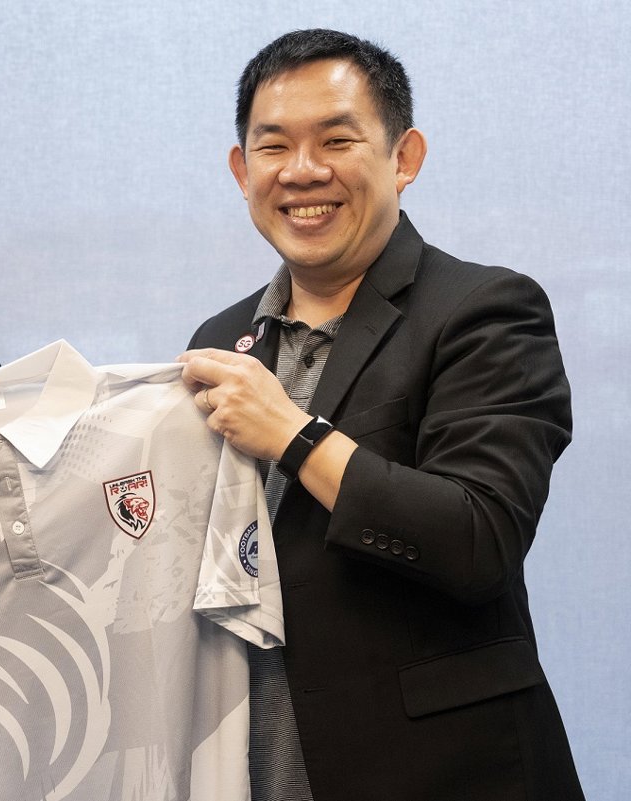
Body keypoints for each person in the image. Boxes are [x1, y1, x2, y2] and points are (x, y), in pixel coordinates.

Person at [179, 29, 584, 801]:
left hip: (443, 772)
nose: (303, 170)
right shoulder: (222, 339)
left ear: (404, 157)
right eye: (274, 146)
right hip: (263, 765)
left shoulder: (486, 310)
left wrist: (295, 434)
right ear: (241, 169)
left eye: (336, 140)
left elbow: (479, 538)